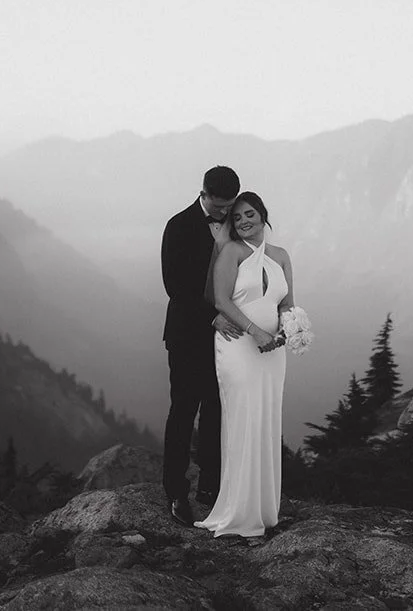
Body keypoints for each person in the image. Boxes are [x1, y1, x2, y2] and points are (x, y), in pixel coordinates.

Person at [196, 190, 294, 541]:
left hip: (273, 351)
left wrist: (288, 329)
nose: (244, 221)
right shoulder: (231, 252)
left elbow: (287, 303)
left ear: (263, 214)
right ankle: (239, 512)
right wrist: (255, 332)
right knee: (243, 419)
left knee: (267, 419)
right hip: (238, 345)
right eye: (236, 218)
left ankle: (265, 510)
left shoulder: (281, 256)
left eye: (250, 214)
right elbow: (221, 299)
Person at [161, 165, 244, 526]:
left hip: (226, 337)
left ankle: (211, 486)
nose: (225, 212)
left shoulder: (236, 223)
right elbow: (174, 286)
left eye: (230, 206)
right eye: (220, 205)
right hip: (187, 334)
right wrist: (212, 316)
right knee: (183, 410)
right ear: (204, 193)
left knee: (217, 409)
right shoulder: (178, 225)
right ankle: (175, 492)